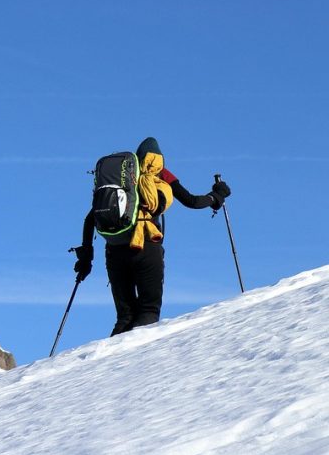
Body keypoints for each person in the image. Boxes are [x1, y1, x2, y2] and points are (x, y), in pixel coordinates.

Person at [73, 137, 231, 336]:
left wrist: (87, 257)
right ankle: (136, 365)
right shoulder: (161, 173)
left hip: (114, 250)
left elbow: (90, 218)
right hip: (147, 247)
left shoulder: (125, 179)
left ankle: (109, 361)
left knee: (125, 316)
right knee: (148, 310)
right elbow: (192, 201)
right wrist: (216, 196)